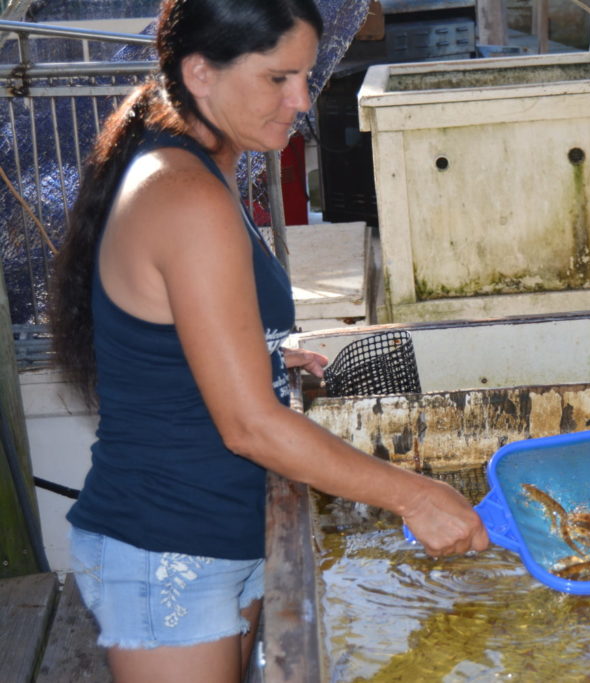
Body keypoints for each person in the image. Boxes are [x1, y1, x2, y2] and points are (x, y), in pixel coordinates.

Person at [48, 1, 489, 680]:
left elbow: (162, 326)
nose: (301, 101)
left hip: (220, 528)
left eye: (305, 77)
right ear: (201, 72)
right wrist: (414, 494)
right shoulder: (183, 192)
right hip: (169, 548)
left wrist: (257, 348)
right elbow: (250, 425)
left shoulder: (194, 161)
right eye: (279, 78)